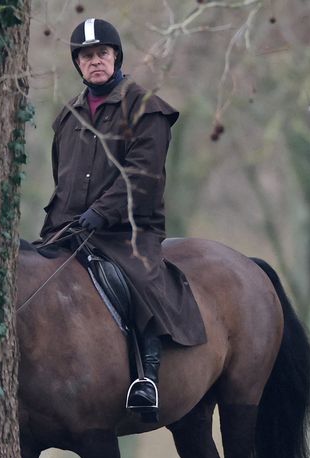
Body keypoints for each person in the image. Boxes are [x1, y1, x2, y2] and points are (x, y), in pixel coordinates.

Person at [40, 18, 207, 416]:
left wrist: (102, 211)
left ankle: (145, 377)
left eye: (101, 53)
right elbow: (61, 176)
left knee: (137, 281)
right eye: (86, 56)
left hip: (127, 232)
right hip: (70, 230)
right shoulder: (67, 116)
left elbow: (143, 175)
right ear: (77, 63)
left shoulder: (147, 109)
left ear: (115, 56)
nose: (94, 61)